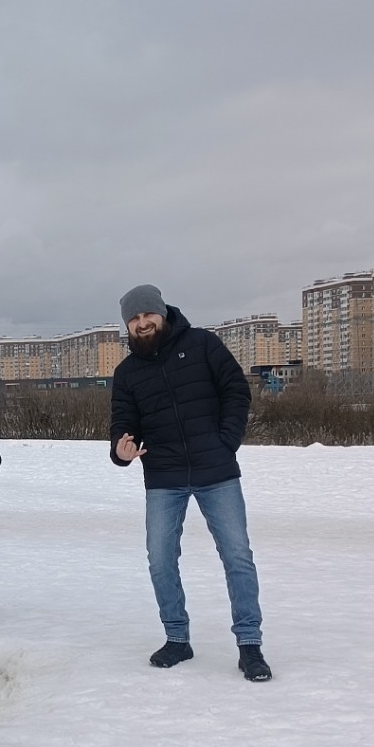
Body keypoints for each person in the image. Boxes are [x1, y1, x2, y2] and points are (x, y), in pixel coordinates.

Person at [110, 284, 271, 682]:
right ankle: (177, 638)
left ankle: (249, 645)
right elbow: (122, 424)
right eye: (134, 319)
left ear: (162, 313)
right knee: (160, 559)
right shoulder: (126, 373)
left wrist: (226, 442)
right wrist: (121, 449)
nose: (142, 323)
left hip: (215, 472)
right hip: (164, 478)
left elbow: (236, 390)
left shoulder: (202, 344)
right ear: (128, 327)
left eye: (147, 315)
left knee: (237, 556)